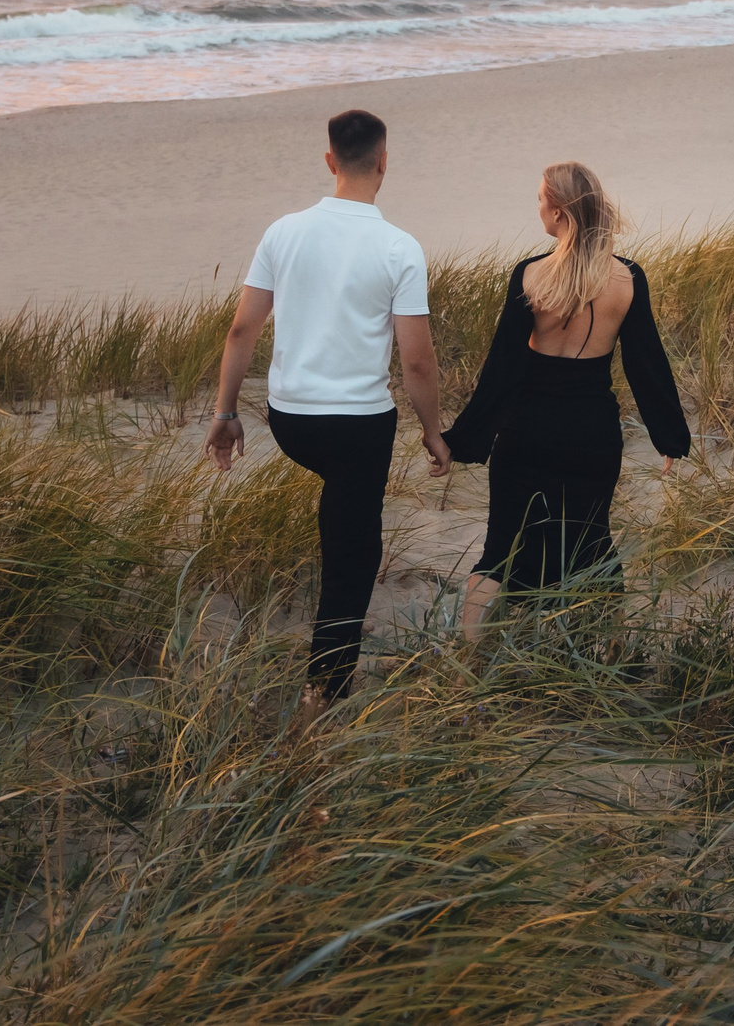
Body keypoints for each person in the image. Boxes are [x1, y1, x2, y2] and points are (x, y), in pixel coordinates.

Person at [206, 109, 449, 713]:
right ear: (384, 162)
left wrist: (225, 413)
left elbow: (241, 331)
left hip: (291, 422)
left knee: (339, 513)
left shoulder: (282, 231)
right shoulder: (399, 247)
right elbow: (417, 362)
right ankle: (325, 689)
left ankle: (338, 627)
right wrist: (434, 431)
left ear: (330, 161)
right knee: (354, 551)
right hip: (359, 427)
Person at [443, 161, 688, 642]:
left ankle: (464, 667)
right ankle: (609, 654)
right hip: (591, 433)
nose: (537, 207)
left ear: (558, 213)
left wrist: (459, 440)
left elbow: (501, 370)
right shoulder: (628, 279)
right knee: (593, 542)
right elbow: (647, 364)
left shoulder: (529, 275)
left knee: (499, 550)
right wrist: (670, 437)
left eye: (540, 199)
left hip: (526, 428)